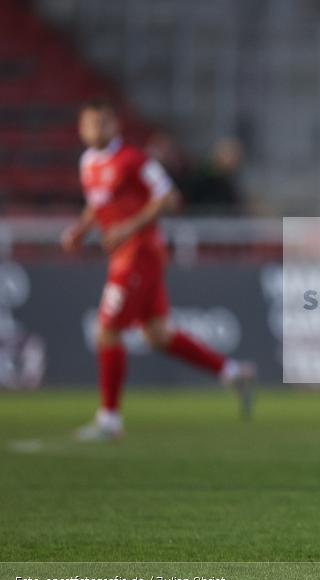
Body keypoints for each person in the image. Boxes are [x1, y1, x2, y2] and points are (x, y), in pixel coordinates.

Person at [61, 99, 255, 441]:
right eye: (90, 124)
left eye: (102, 123)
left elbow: (169, 198)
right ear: (81, 128)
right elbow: (98, 204)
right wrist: (80, 229)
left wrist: (128, 228)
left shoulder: (135, 160)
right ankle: (232, 371)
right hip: (122, 254)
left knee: (108, 330)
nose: (96, 130)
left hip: (140, 253)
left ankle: (109, 420)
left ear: (114, 126)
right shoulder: (88, 162)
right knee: (157, 334)